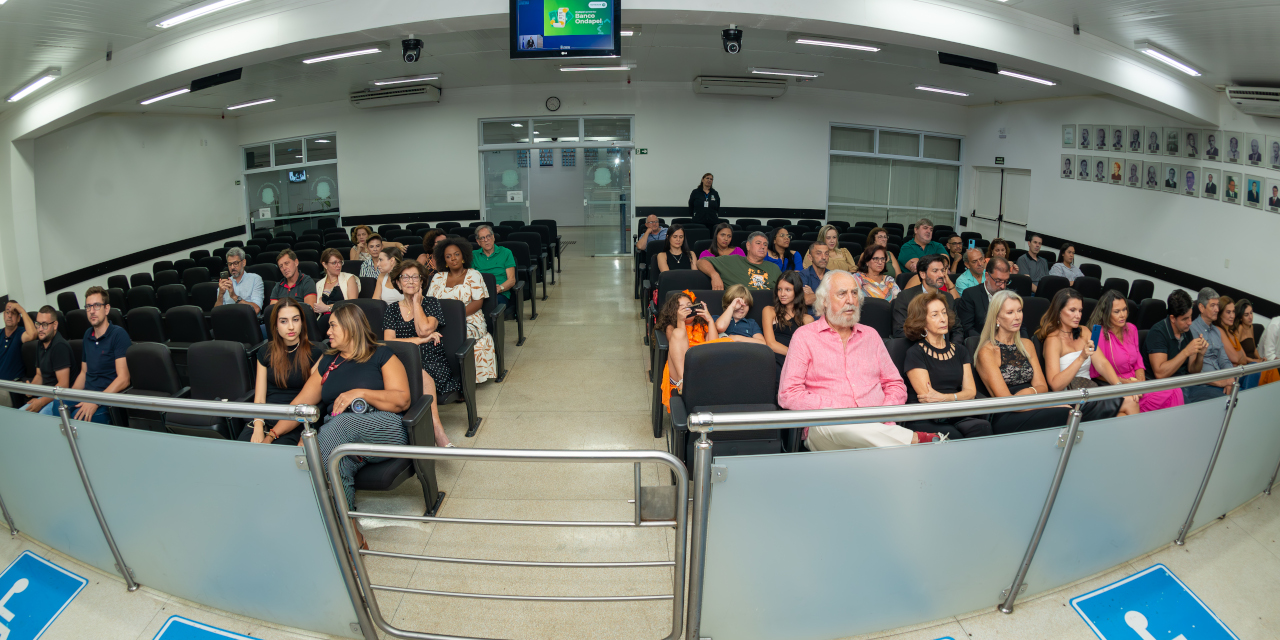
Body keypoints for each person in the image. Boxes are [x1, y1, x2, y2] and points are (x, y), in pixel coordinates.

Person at [274, 304, 412, 548]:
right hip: (342, 443)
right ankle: (352, 537)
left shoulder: (382, 355)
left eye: (333, 325)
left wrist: (360, 393)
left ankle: (302, 480)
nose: (328, 331)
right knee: (335, 468)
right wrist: (271, 433)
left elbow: (402, 400)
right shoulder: (328, 361)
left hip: (385, 427)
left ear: (350, 327)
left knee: (342, 422)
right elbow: (301, 404)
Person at [778, 271, 942, 449]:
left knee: (867, 441)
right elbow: (788, 394)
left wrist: (883, 413)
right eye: (842, 293)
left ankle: (890, 439)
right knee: (837, 427)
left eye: (854, 293)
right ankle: (915, 440)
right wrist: (838, 410)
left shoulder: (871, 336)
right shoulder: (804, 337)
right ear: (824, 301)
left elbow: (895, 384)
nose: (850, 300)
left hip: (877, 424)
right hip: (827, 425)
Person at [382, 260, 459, 448]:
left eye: (415, 277)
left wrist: (416, 302)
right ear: (398, 283)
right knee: (409, 372)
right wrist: (418, 341)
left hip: (431, 361)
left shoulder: (431, 303)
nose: (410, 281)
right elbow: (389, 342)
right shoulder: (392, 309)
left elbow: (424, 329)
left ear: (422, 282)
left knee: (420, 374)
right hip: (401, 361)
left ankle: (437, 432)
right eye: (405, 277)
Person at [974, 291, 1073, 433]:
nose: (1017, 317)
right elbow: (1007, 401)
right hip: (1008, 414)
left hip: (1032, 402)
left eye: (1019, 311)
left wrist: (1029, 391)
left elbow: (1042, 386)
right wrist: (1050, 405)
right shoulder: (987, 351)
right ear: (997, 318)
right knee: (1065, 412)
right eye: (1010, 312)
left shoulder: (1026, 344)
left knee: (1069, 412)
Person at [901, 292, 993, 439]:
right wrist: (956, 397)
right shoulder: (915, 353)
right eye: (935, 315)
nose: (943, 318)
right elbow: (930, 398)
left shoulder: (960, 351)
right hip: (927, 415)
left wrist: (947, 398)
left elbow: (970, 392)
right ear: (921, 321)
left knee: (982, 427)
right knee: (954, 435)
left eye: (944, 312)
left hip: (955, 412)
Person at [1036, 289, 1133, 417]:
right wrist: (1081, 358)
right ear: (1059, 311)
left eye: (1080, 310)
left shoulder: (1084, 331)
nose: (1078, 315)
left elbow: (1102, 364)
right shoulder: (1053, 340)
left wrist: (1119, 387)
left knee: (1123, 414)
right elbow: (1055, 385)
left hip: (1090, 392)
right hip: (1071, 399)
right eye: (1072, 310)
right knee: (1131, 402)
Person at [242, 298, 325, 445]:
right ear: (276, 326)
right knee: (242, 450)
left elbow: (310, 400)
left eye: (295, 319)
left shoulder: (316, 353)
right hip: (266, 417)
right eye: (284, 321)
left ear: (302, 322)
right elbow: (260, 397)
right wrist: (258, 427)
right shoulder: (265, 351)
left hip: (295, 420)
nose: (291, 327)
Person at [1088, 291, 1183, 411]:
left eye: (1124, 310)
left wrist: (1140, 381)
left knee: (1175, 390)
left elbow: (1138, 360)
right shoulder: (1099, 335)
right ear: (1106, 313)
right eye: (1117, 312)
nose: (1122, 315)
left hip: (1136, 383)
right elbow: (1096, 373)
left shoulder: (1131, 329)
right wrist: (1126, 383)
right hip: (1114, 385)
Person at [428, 236, 498, 382]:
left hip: (470, 320)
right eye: (448, 256)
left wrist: (454, 319)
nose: (453, 258)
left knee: (456, 336)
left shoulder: (474, 275)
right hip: (439, 320)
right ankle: (439, 379)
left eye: (457, 254)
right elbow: (430, 303)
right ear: (444, 260)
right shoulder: (438, 277)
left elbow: (478, 303)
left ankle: (461, 380)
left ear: (463, 256)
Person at [656, 291, 731, 410]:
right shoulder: (672, 327)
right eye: (682, 307)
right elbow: (675, 342)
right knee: (679, 332)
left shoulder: (702, 326)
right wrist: (680, 321)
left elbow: (713, 346)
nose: (687, 308)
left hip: (701, 366)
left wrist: (710, 320)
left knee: (727, 342)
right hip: (680, 369)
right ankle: (684, 381)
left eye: (689, 305)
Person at [70, 287, 131, 423]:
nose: (92, 311)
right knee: (58, 405)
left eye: (97, 306)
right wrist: (70, 395)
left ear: (107, 309)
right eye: (88, 306)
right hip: (88, 394)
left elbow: (124, 379)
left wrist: (95, 401)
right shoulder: (87, 335)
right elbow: (84, 373)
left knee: (81, 417)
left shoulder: (118, 335)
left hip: (106, 399)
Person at [1147, 289, 1218, 404]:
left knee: (1220, 398)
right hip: (1167, 390)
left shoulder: (1186, 331)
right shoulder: (1157, 333)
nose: (1190, 322)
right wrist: (1186, 352)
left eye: (1190, 317)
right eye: (1185, 319)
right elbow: (1160, 374)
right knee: (1192, 409)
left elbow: (1193, 370)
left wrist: (1200, 355)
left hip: (1186, 386)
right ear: (1172, 318)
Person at [892, 254, 962, 342]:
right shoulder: (906, 296)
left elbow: (957, 330)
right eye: (935, 271)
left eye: (942, 270)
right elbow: (899, 331)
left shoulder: (948, 297)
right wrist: (928, 343)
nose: (941, 275)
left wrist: (952, 348)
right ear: (922, 274)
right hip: (919, 348)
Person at [18, 306, 72, 416]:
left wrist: (41, 401)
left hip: (59, 399)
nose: (40, 329)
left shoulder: (60, 346)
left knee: (38, 420)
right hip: (46, 396)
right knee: (20, 415)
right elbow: (39, 375)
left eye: (45, 325)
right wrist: (31, 389)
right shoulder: (40, 343)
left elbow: (63, 385)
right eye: (38, 324)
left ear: (55, 325)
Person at [1187, 287, 1235, 401]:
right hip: (1205, 385)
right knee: (1231, 400)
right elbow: (1193, 370)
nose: (1217, 309)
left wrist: (1230, 380)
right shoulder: (1192, 329)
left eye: (1217, 305)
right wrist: (1221, 382)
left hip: (1222, 381)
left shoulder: (1216, 331)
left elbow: (1224, 361)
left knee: (1244, 392)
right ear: (1201, 308)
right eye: (1212, 305)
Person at [696, 232, 781, 291]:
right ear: (748, 246)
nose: (763, 247)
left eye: (765, 244)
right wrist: (714, 275)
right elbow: (701, 261)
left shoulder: (774, 268)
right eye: (758, 243)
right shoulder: (732, 260)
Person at [761, 271, 812, 371]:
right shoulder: (769, 311)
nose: (782, 294)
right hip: (774, 358)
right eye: (779, 289)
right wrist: (795, 354)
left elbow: (808, 350)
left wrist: (797, 357)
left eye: (788, 290)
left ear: (796, 291)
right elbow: (771, 344)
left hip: (796, 362)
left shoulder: (807, 319)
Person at [957, 256, 1011, 339]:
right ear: (987, 276)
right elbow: (967, 329)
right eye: (998, 281)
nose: (1003, 286)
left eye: (1006, 281)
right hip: (982, 343)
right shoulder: (970, 295)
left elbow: (1021, 327)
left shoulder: (1010, 296)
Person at [1214, 295, 1260, 389]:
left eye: (1233, 312)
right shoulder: (1219, 330)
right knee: (1254, 368)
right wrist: (1238, 359)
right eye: (1228, 312)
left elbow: (1243, 359)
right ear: (1220, 314)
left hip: (1239, 370)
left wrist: (1238, 359)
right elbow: (1236, 358)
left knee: (1256, 368)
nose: (1232, 316)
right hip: (1229, 374)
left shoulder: (1231, 332)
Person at [472, 224, 517, 305]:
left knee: (489, 304)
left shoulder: (506, 253)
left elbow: (512, 280)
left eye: (488, 236)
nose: (486, 240)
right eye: (482, 238)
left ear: (493, 237)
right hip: (479, 293)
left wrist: (500, 288)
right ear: (478, 242)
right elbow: (469, 279)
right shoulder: (473, 255)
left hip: (499, 293)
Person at [214, 247, 264, 314]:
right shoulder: (224, 283)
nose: (232, 267)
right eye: (230, 264)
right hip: (229, 321)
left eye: (235, 263)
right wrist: (220, 294)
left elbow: (256, 309)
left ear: (243, 262)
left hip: (247, 321)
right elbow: (216, 313)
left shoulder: (255, 279)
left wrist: (234, 297)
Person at [313, 248, 359, 317]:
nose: (339, 265)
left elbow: (352, 304)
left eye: (340, 262)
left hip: (344, 317)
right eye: (334, 263)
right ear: (325, 265)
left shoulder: (349, 278)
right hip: (324, 319)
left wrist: (328, 308)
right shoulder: (319, 284)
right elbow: (317, 308)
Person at [0, 300, 36, 385]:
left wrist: (22, 310)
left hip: (13, 385)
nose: (9, 315)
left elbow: (32, 334)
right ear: (3, 315)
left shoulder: (20, 333)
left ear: (18, 318)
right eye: (7, 312)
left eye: (13, 313)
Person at [799, 242, 829, 314]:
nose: (824, 257)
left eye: (826, 254)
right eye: (819, 253)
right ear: (810, 257)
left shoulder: (833, 276)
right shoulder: (803, 275)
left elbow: (837, 302)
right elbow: (807, 300)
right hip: (811, 320)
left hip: (830, 320)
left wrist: (814, 295)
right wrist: (827, 299)